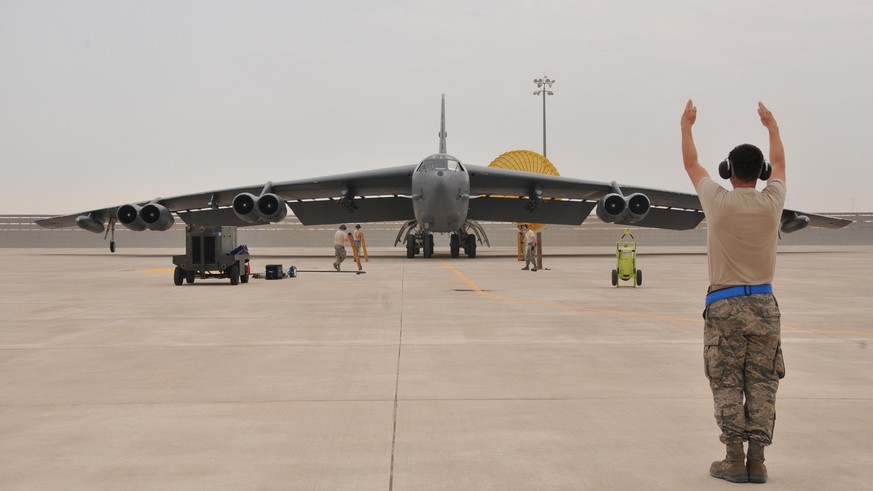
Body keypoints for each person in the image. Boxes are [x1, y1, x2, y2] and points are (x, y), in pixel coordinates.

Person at [681, 99, 786, 484]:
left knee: (727, 381)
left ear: (728, 172)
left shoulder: (718, 202)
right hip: (764, 304)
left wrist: (686, 127)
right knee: (761, 382)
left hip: (723, 305)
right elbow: (782, 165)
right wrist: (772, 127)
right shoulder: (773, 202)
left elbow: (692, 166)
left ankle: (732, 460)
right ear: (761, 172)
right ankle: (757, 461)